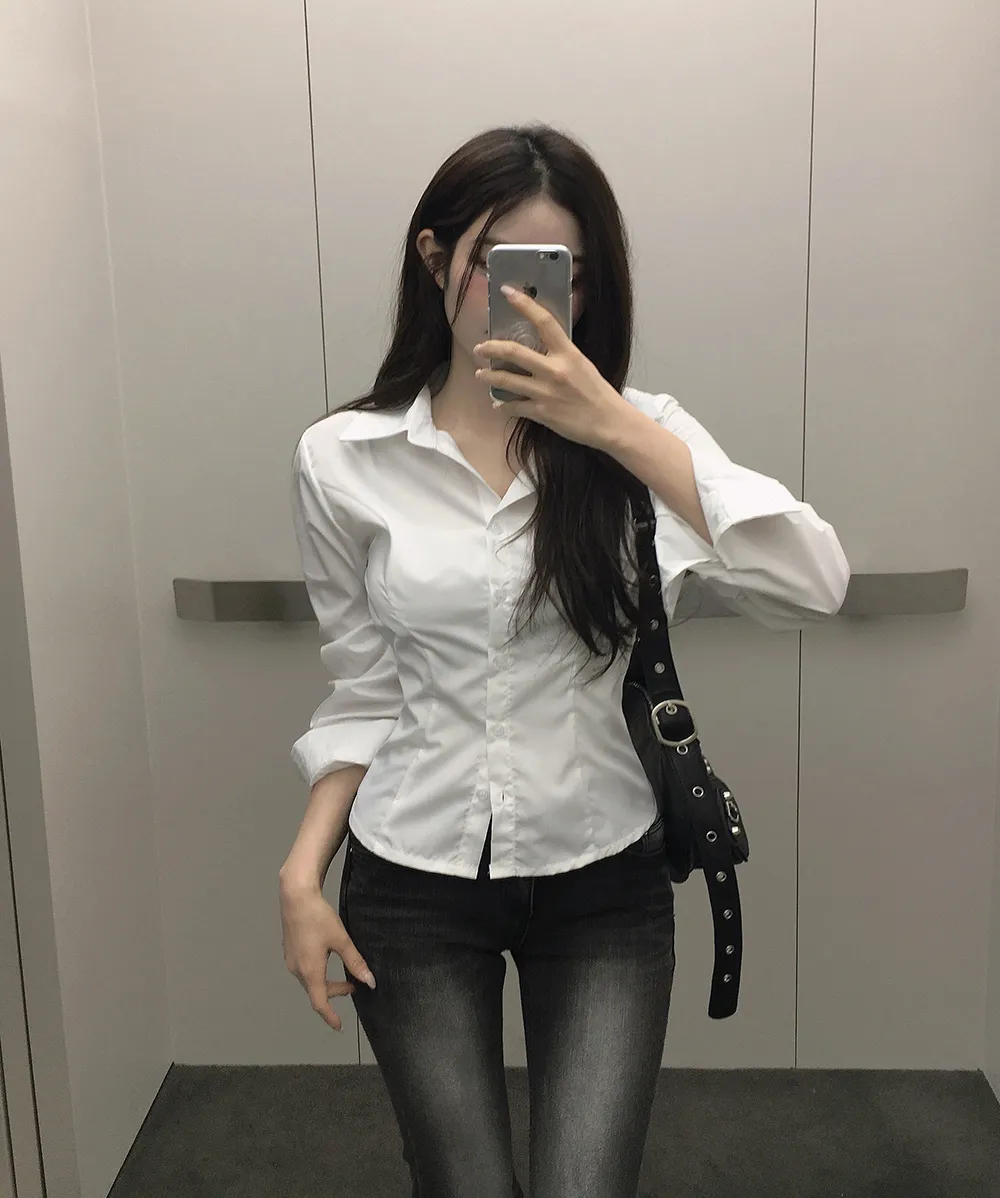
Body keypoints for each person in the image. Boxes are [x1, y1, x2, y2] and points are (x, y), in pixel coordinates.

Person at [278, 123, 850, 1198]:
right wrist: (302, 873)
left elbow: (813, 583)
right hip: (411, 881)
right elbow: (365, 691)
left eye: (565, 276)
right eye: (501, 267)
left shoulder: (643, 438)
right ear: (436, 258)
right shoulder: (343, 459)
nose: (535, 301)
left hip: (604, 882)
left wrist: (612, 426)